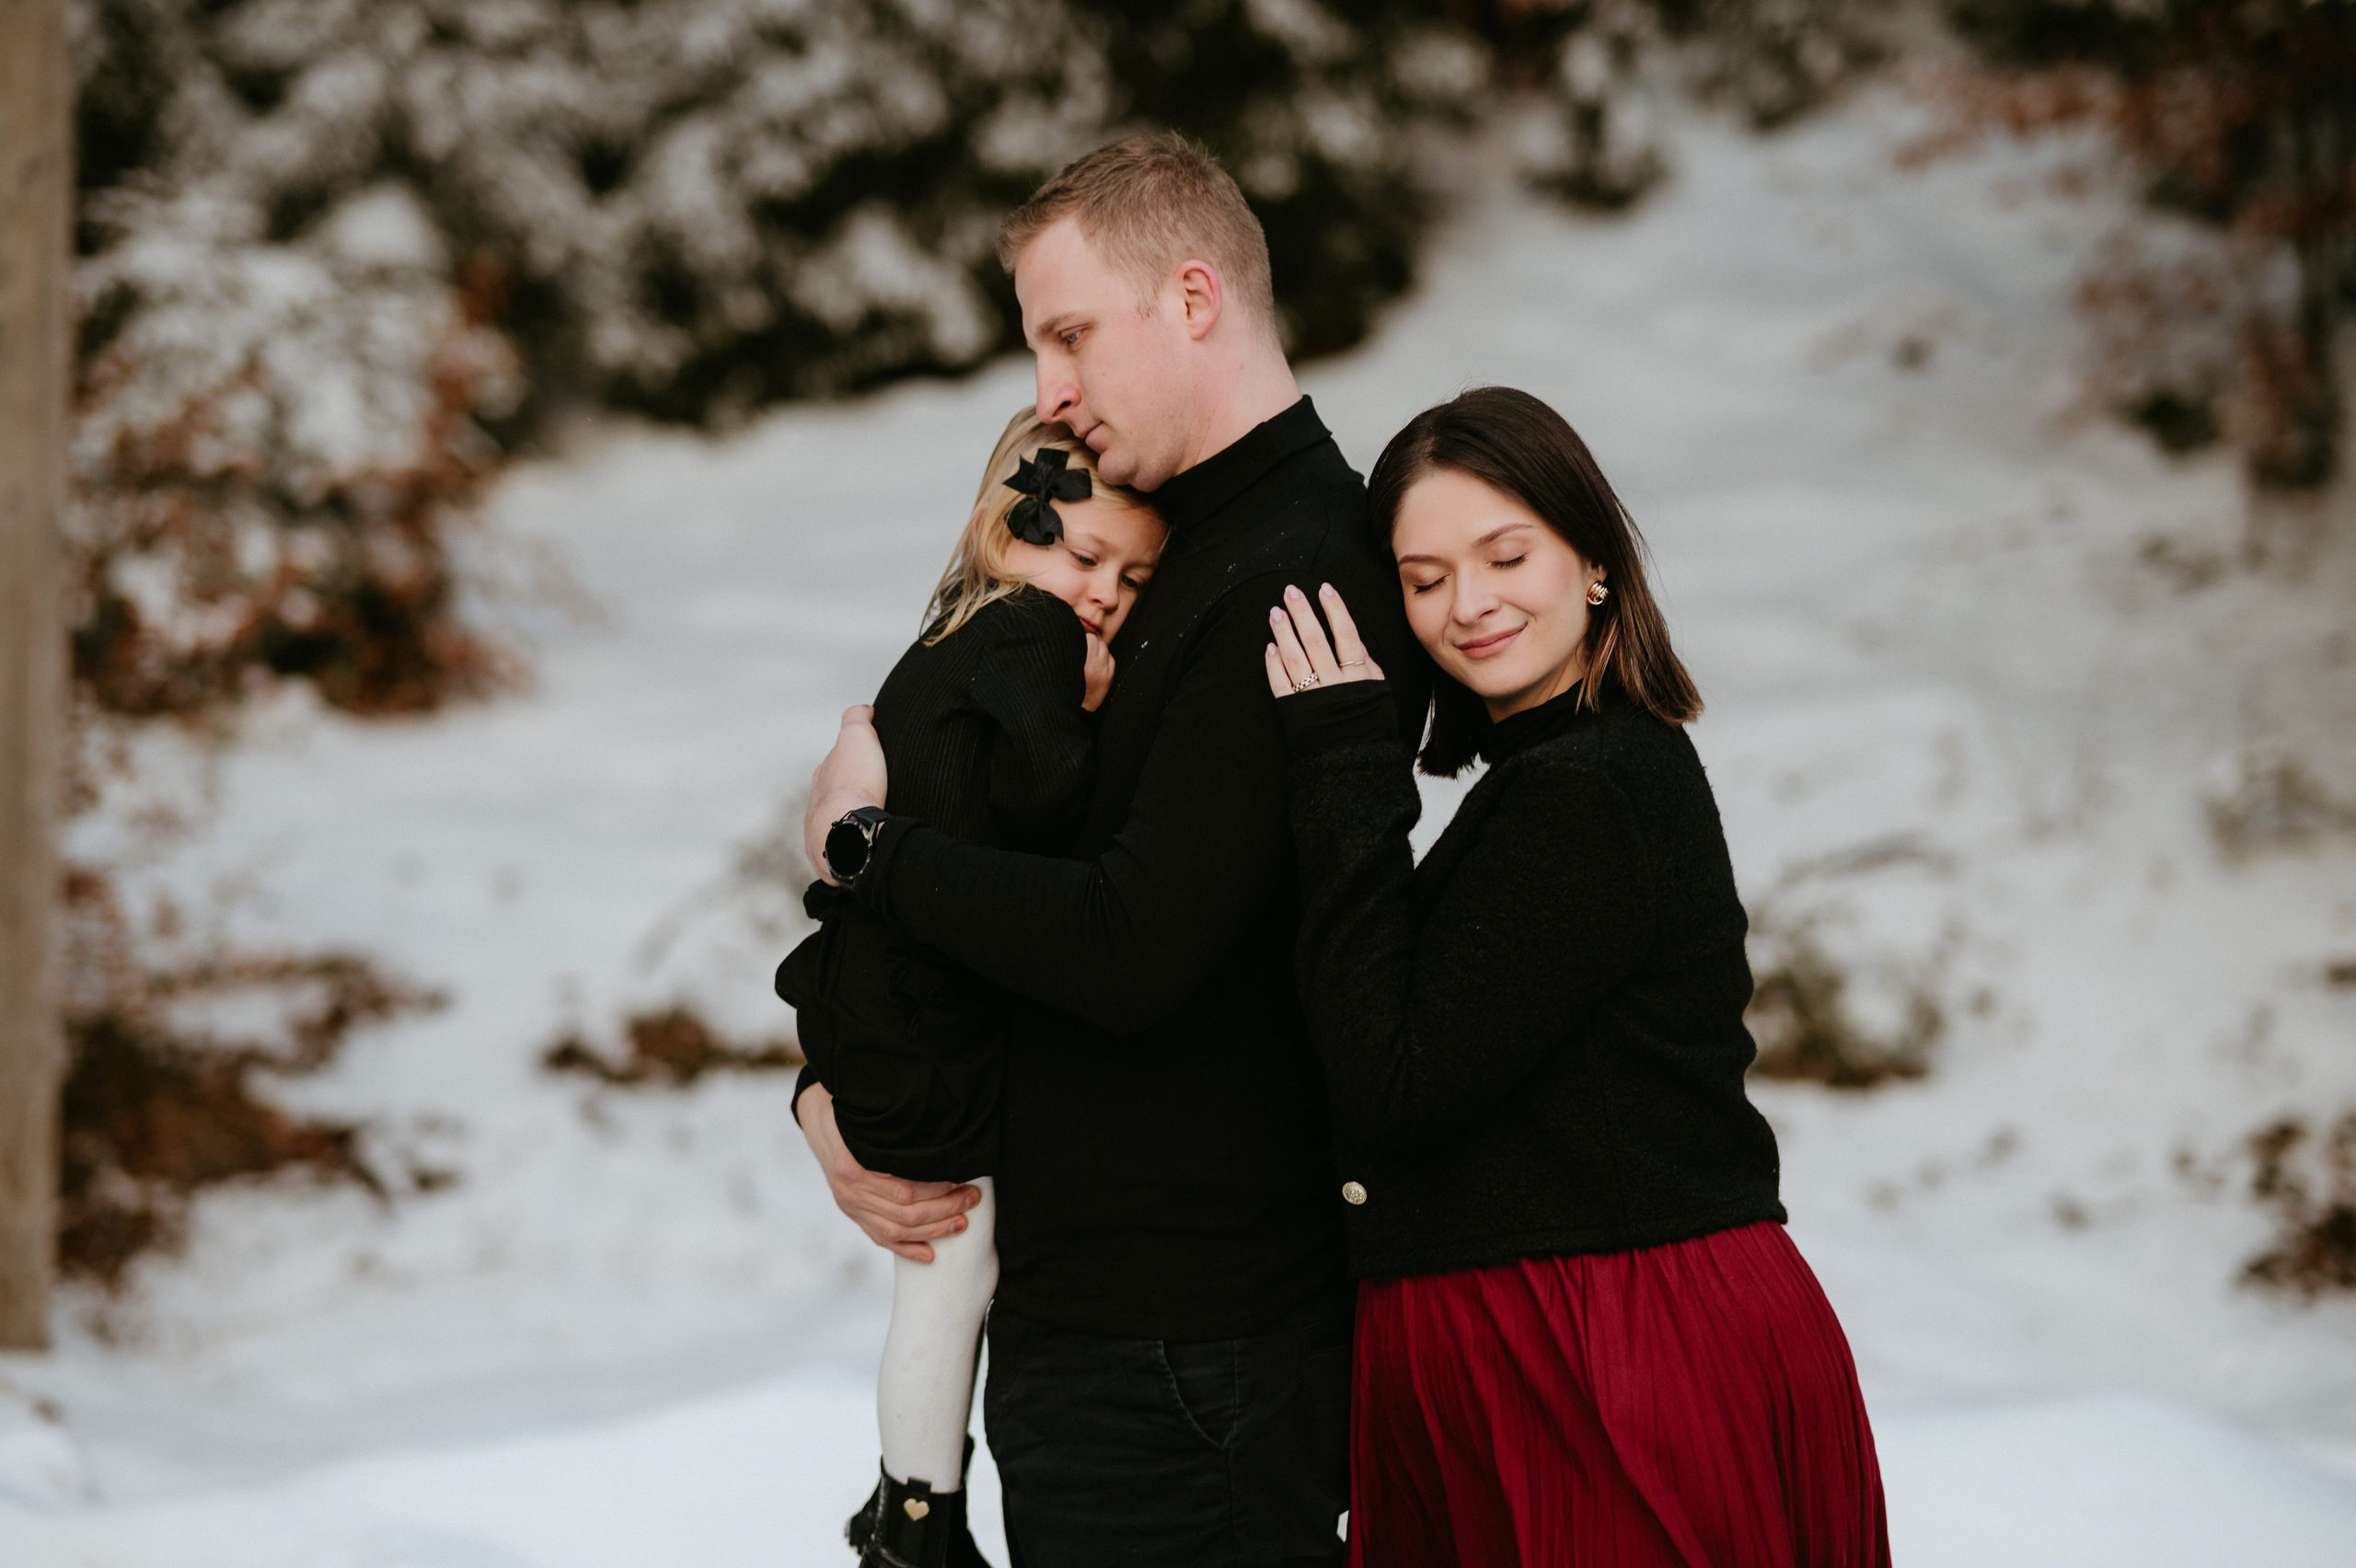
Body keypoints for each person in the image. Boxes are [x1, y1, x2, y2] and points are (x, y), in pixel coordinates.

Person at [797, 133, 1431, 1566]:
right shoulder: (1144, 554)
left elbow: (1130, 944)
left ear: (1193, 298)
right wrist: (837, 1090)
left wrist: (865, 849)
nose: (1050, 392)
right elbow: (1002, 861)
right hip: (1092, 1327)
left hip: (1192, 1351)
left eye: (1071, 334)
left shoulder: (1301, 568)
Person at [1260, 386, 1892, 1567]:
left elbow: (1398, 1081)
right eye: (1425, 576)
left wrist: (1344, 773)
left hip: (1604, 1348)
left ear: (1593, 561)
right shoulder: (1548, 778)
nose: (1470, 604)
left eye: (1507, 554)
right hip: (1555, 1334)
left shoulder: (1591, 789)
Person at [779, 409, 1164, 1568]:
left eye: (1134, 577)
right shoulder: (1034, 634)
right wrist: (1090, 709)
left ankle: (913, 1506)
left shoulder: (950, 626)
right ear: (1012, 532)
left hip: (876, 1006)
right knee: (955, 1264)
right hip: (925, 1022)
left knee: (944, 1271)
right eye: (1083, 557)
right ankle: (915, 1518)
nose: (1099, 593)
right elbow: (1045, 794)